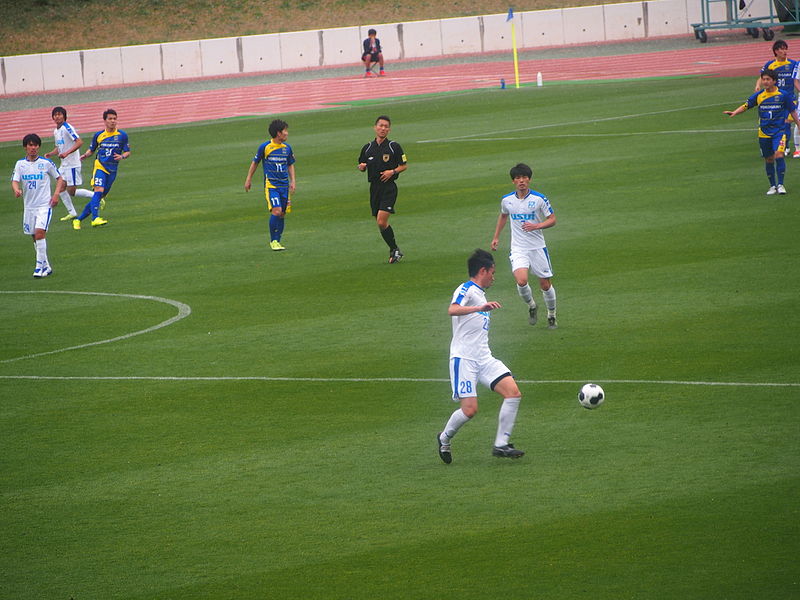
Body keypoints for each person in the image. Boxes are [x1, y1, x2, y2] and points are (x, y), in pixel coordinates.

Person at [437, 249, 525, 464]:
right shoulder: (466, 289)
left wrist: (481, 305)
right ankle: (444, 438)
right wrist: (480, 307)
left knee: (513, 393)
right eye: (492, 273)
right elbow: (452, 309)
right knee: (470, 410)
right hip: (464, 359)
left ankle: (501, 445)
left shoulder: (481, 293)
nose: (494, 277)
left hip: (484, 358)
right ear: (482, 270)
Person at [490, 163, 558, 329]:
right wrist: (496, 237)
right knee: (521, 280)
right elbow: (503, 216)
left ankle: (551, 315)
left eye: (524, 178)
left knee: (545, 285)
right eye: (518, 178)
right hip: (518, 248)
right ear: (513, 181)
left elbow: (552, 219)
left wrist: (537, 226)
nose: (521, 181)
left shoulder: (539, 199)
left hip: (537, 247)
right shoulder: (507, 200)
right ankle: (532, 306)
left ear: (529, 179)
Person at [726, 68, 800, 195]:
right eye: (763, 79)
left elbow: (793, 111)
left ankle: (781, 184)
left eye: (768, 79)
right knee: (769, 159)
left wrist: (799, 124)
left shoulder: (783, 95)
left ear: (774, 81)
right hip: (764, 133)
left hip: (779, 131)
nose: (765, 82)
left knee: (779, 155)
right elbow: (746, 105)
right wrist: (734, 112)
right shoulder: (759, 95)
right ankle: (772, 186)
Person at [11, 133, 65, 278]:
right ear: (25, 147)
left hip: (44, 205)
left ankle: (38, 267)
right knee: (34, 236)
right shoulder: (20, 164)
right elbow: (15, 180)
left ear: (39, 147)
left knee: (40, 233)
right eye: (30, 145)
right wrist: (16, 190)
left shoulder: (46, 163)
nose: (33, 148)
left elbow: (59, 178)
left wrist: (56, 195)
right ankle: (46, 266)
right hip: (29, 207)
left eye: (35, 145)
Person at [357, 115, 407, 263]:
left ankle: (394, 249)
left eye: (386, 126)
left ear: (389, 130)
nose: (383, 128)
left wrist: (392, 172)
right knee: (380, 223)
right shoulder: (367, 148)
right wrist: (361, 167)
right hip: (374, 188)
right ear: (375, 127)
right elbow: (361, 164)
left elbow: (404, 165)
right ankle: (395, 250)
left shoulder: (394, 147)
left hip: (389, 188)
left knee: (381, 221)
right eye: (380, 125)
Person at [244, 118, 296, 251]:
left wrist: (293, 181)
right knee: (276, 211)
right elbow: (255, 163)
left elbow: (290, 165)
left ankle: (278, 241)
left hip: (284, 186)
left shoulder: (287, 148)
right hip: (271, 186)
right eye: (285, 130)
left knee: (283, 213)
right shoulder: (265, 147)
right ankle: (273, 241)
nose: (287, 133)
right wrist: (248, 179)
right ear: (278, 133)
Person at [75, 108, 131, 229]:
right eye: (110, 119)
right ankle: (95, 219)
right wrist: (85, 155)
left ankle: (78, 220)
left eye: (115, 119)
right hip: (100, 166)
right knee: (98, 191)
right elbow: (92, 149)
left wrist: (122, 156)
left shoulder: (122, 135)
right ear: (104, 121)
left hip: (112, 170)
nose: (113, 121)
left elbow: (127, 152)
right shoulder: (99, 135)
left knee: (98, 197)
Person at [43, 106, 93, 221]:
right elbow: (58, 147)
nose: (57, 116)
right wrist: (51, 154)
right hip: (64, 165)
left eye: (60, 114)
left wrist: (66, 153)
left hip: (72, 165)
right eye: (55, 115)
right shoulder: (56, 131)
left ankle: (96, 197)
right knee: (60, 187)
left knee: (72, 191)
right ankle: (72, 212)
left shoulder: (67, 128)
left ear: (64, 116)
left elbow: (79, 142)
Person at [754, 40, 800, 157]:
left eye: (786, 48)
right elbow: (762, 76)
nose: (785, 51)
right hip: (776, 99)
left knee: (787, 122)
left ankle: (786, 147)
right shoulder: (770, 64)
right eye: (782, 49)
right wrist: (758, 85)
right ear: (776, 51)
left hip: (789, 98)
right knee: (779, 123)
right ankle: (784, 146)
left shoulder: (793, 64)